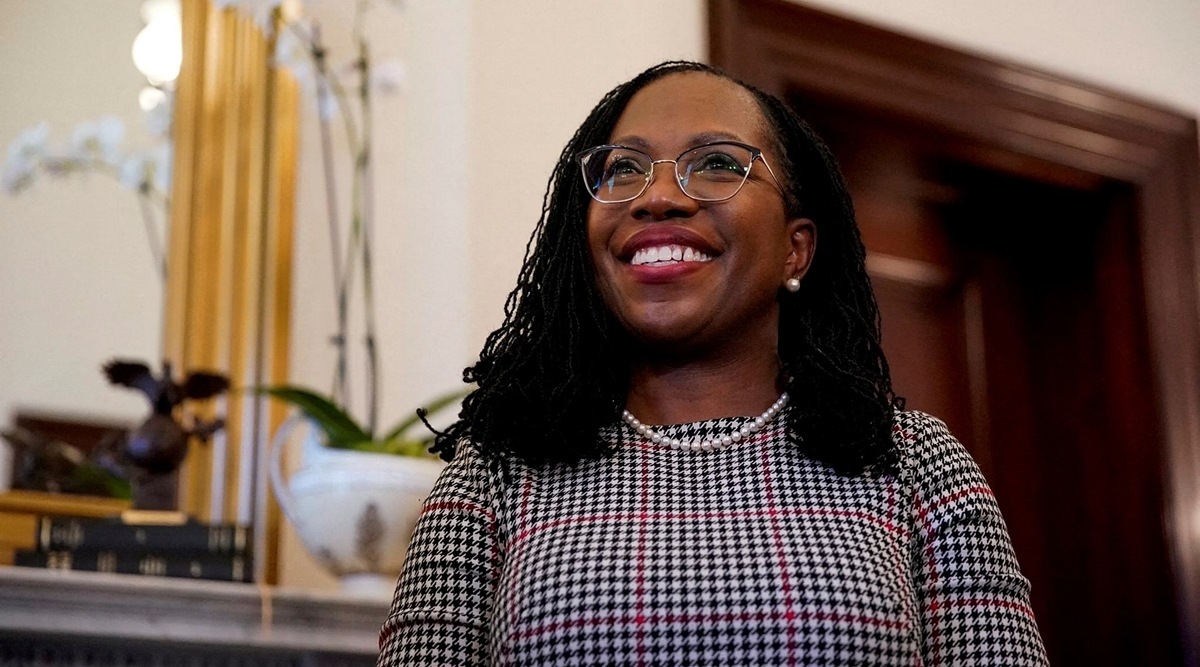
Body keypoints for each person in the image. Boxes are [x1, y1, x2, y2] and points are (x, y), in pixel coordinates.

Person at [377, 61, 1048, 666]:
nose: (657, 196)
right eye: (622, 170)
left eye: (718, 163)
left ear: (797, 249)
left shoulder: (916, 462)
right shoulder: (496, 468)